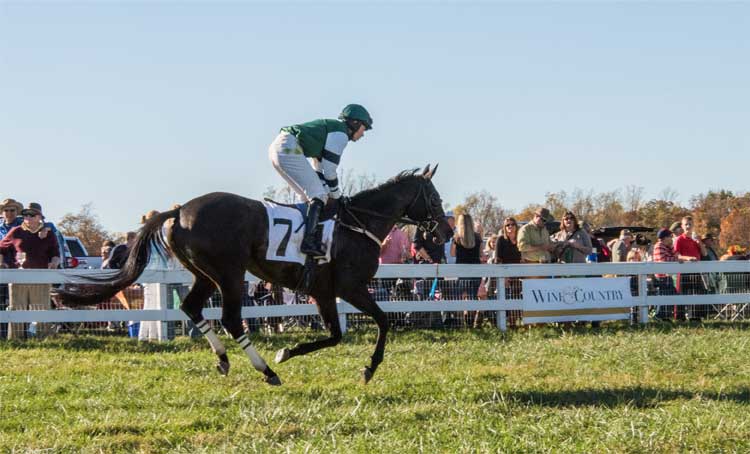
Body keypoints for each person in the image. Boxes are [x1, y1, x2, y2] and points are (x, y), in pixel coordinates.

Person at [268, 104, 373, 257]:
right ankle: (308, 241)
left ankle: (297, 238)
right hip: (288, 147)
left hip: (280, 147)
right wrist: (337, 197)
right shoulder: (340, 134)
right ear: (355, 123)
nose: (363, 134)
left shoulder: (329, 133)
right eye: (364, 128)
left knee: (308, 197)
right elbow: (330, 171)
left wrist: (329, 191)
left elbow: (319, 171)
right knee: (318, 195)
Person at [0, 203, 61, 339]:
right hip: (18, 277)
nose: (27, 217)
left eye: (31, 214)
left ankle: (42, 338)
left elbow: (55, 253)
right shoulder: (16, 231)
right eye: (25, 214)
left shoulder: (49, 233)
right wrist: (2, 263)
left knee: (41, 309)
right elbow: (1, 248)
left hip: (41, 276)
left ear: (39, 217)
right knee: (17, 309)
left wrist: (54, 262)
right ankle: (16, 339)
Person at [672, 216, 705, 320]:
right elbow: (677, 256)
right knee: (682, 294)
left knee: (697, 293)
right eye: (686, 224)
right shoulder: (679, 239)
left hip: (696, 270)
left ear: (693, 225)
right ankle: (680, 318)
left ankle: (695, 317)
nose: (688, 226)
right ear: (682, 226)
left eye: (690, 224)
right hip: (683, 270)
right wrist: (688, 258)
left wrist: (699, 242)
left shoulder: (696, 239)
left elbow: (704, 253)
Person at [652, 228, 683, 320]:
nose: (672, 238)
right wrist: (677, 259)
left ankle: (664, 315)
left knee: (670, 294)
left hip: (667, 276)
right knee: (664, 295)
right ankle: (659, 315)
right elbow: (664, 260)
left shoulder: (668, 246)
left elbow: (676, 254)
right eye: (670, 236)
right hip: (661, 277)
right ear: (665, 237)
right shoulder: (659, 245)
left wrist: (674, 252)